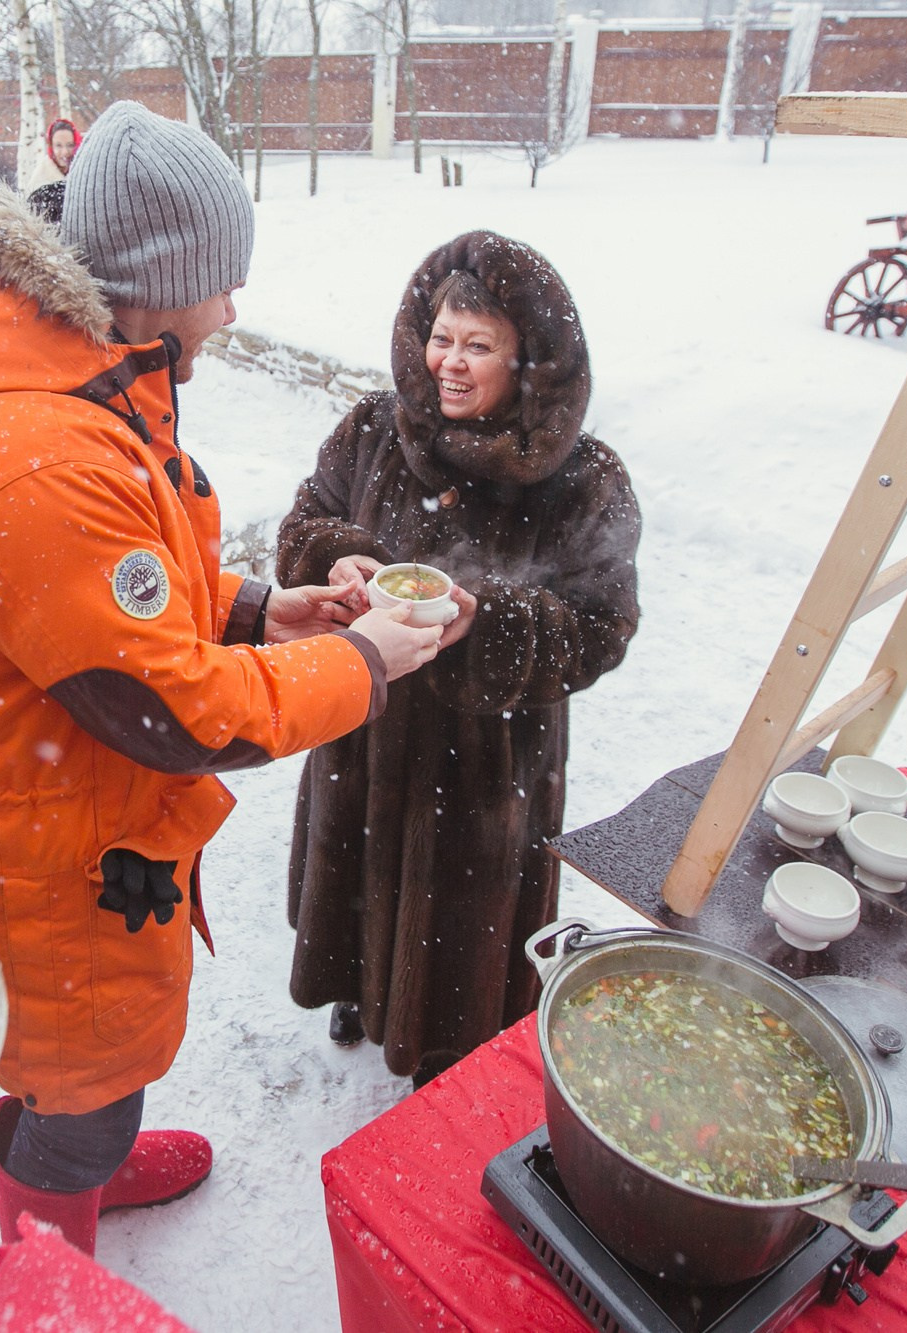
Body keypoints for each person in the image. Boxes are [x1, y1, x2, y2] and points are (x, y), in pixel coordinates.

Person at [0, 100, 463, 1255]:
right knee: (72, 1073)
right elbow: (171, 712)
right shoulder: (28, 456)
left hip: (67, 825)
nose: (232, 308)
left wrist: (254, 608)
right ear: (153, 279)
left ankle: (86, 1150)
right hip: (38, 858)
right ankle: (50, 1263)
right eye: (219, 282)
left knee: (83, 1063)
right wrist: (357, 660)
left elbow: (113, 592)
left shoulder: (80, 370)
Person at [279, 231, 642, 1088]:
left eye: (479, 346)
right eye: (441, 338)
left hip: (487, 765)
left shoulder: (583, 478)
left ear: (530, 363)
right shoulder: (372, 429)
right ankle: (362, 990)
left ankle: (444, 1041)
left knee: (460, 933)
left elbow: (605, 623)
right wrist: (334, 555)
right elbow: (303, 519)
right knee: (358, 877)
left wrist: (495, 628)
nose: (449, 362)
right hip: (365, 722)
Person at [20, 116, 81, 193]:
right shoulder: (40, 178)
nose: (65, 152)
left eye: (70, 145)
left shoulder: (84, 171)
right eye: (59, 145)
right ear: (51, 146)